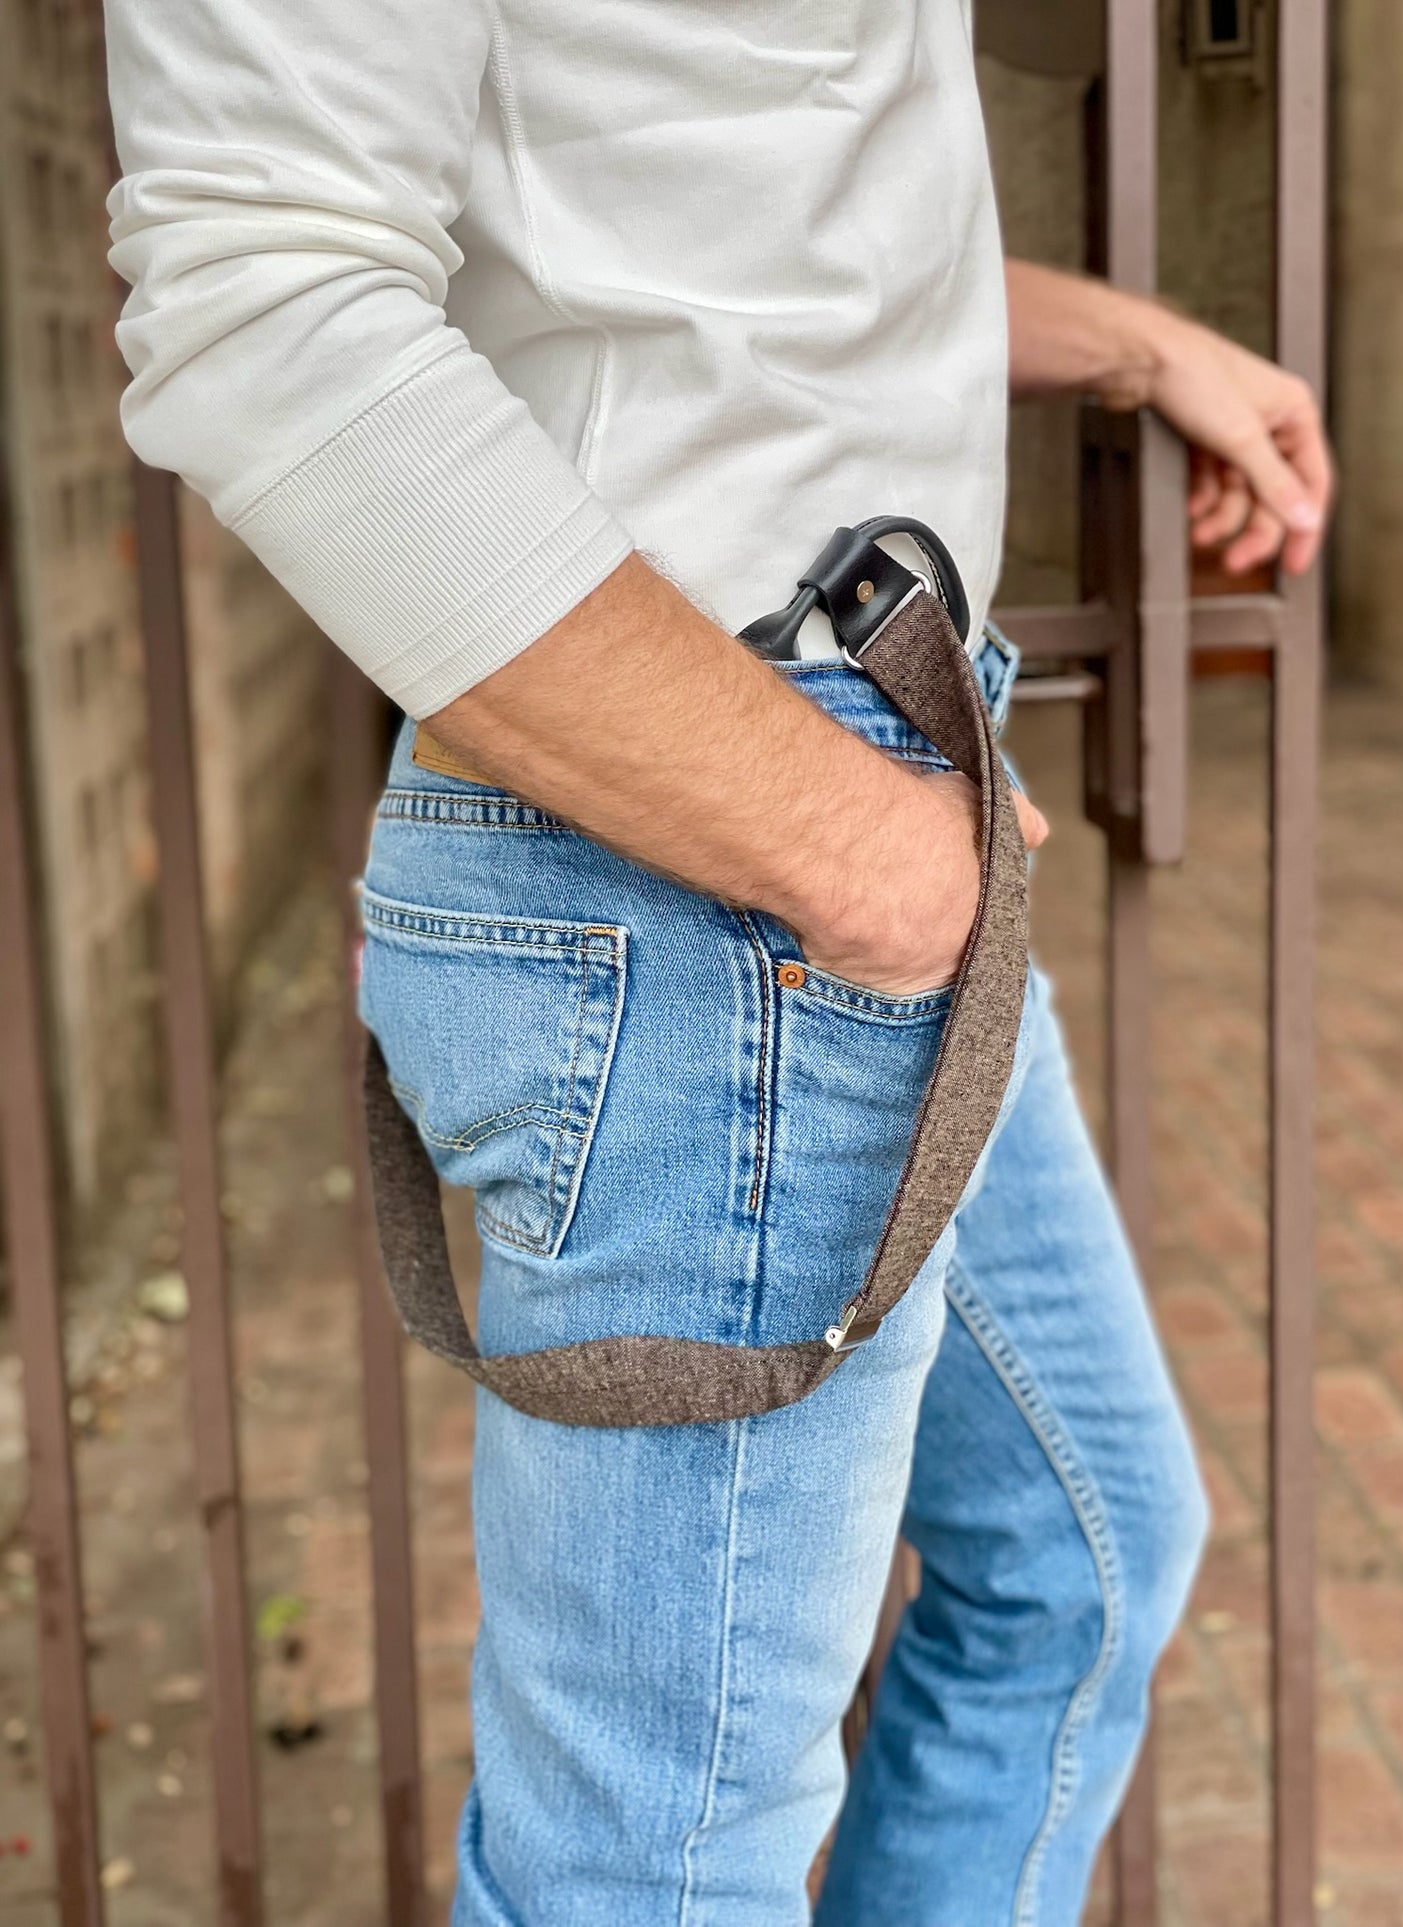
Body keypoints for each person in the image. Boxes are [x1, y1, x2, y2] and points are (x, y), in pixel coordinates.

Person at [103, 5, 1333, 1922]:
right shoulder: (833, 858)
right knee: (654, 1871)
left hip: (844, 834)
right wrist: (857, 857)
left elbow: (741, 268)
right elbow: (260, 284)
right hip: (738, 844)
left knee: (1078, 1553)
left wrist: (1137, 343)